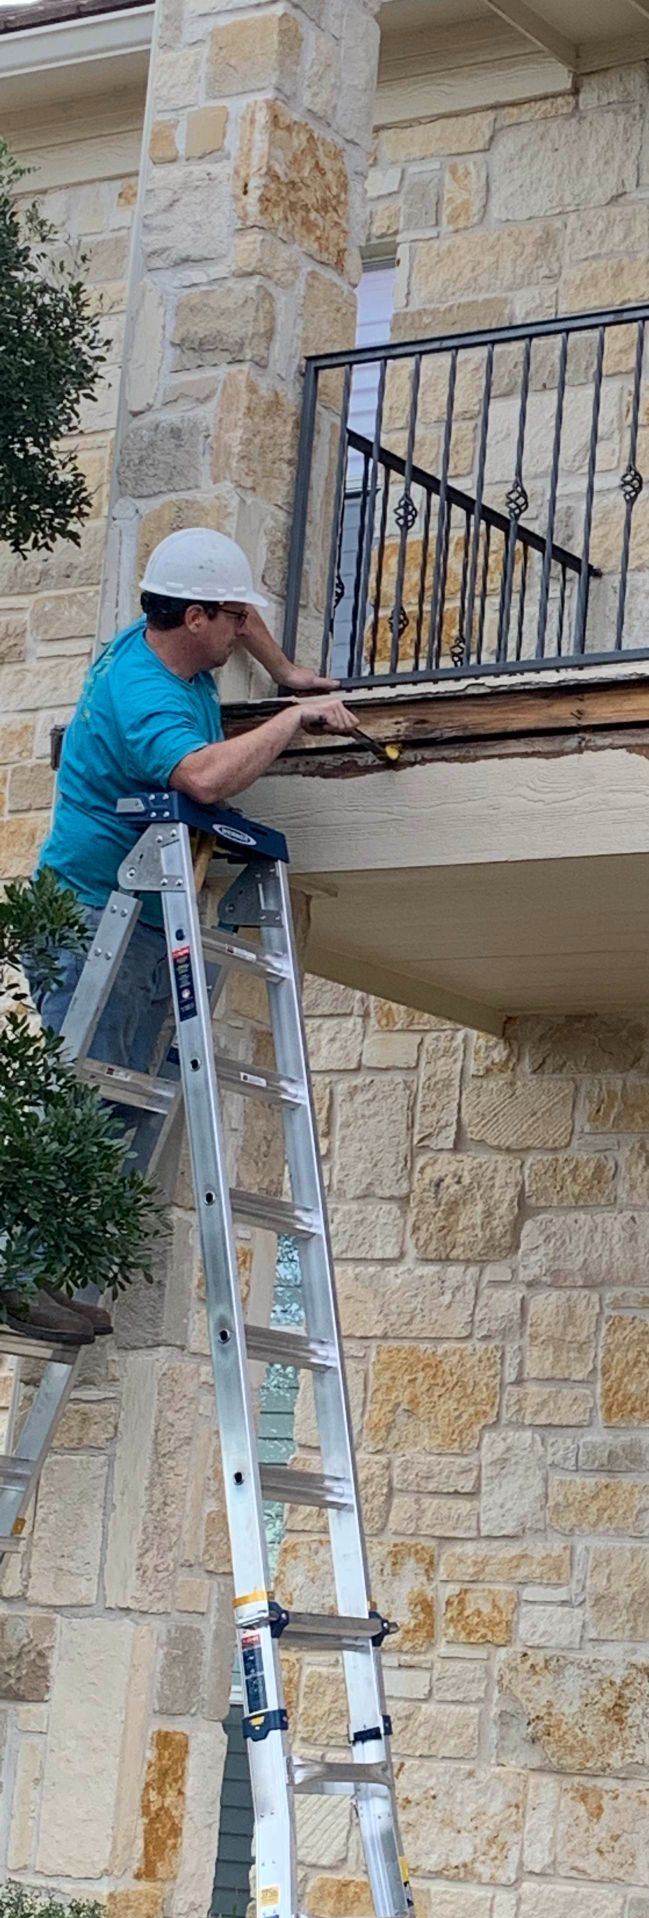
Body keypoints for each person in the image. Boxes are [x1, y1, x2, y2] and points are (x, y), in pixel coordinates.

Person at [12, 527, 361, 1346]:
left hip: (135, 914)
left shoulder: (170, 637)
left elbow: (243, 623)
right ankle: (21, 1275)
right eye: (233, 619)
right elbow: (204, 777)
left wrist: (282, 671)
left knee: (130, 1102)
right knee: (92, 1100)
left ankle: (53, 1271)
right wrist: (293, 716)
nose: (243, 629)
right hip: (98, 915)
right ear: (196, 617)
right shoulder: (146, 691)